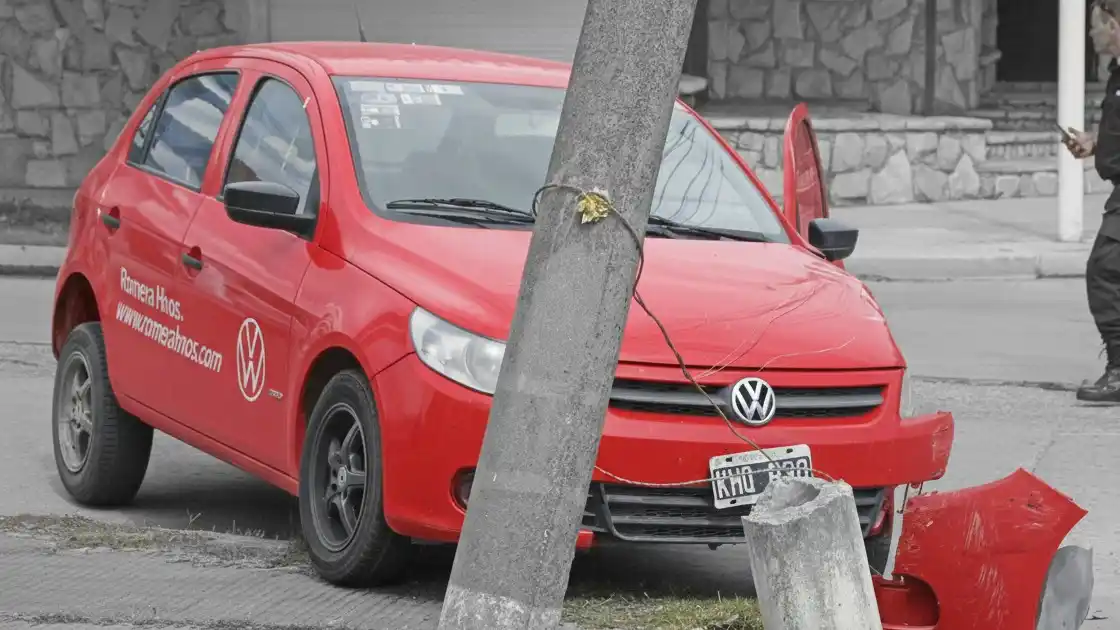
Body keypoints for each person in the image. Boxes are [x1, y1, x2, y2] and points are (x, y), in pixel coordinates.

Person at [1063, 0, 1120, 403]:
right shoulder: (1116, 73)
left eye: (1097, 25)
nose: (1091, 33)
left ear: (1116, 25)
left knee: (1104, 270)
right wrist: (1095, 143)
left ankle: (1119, 371)